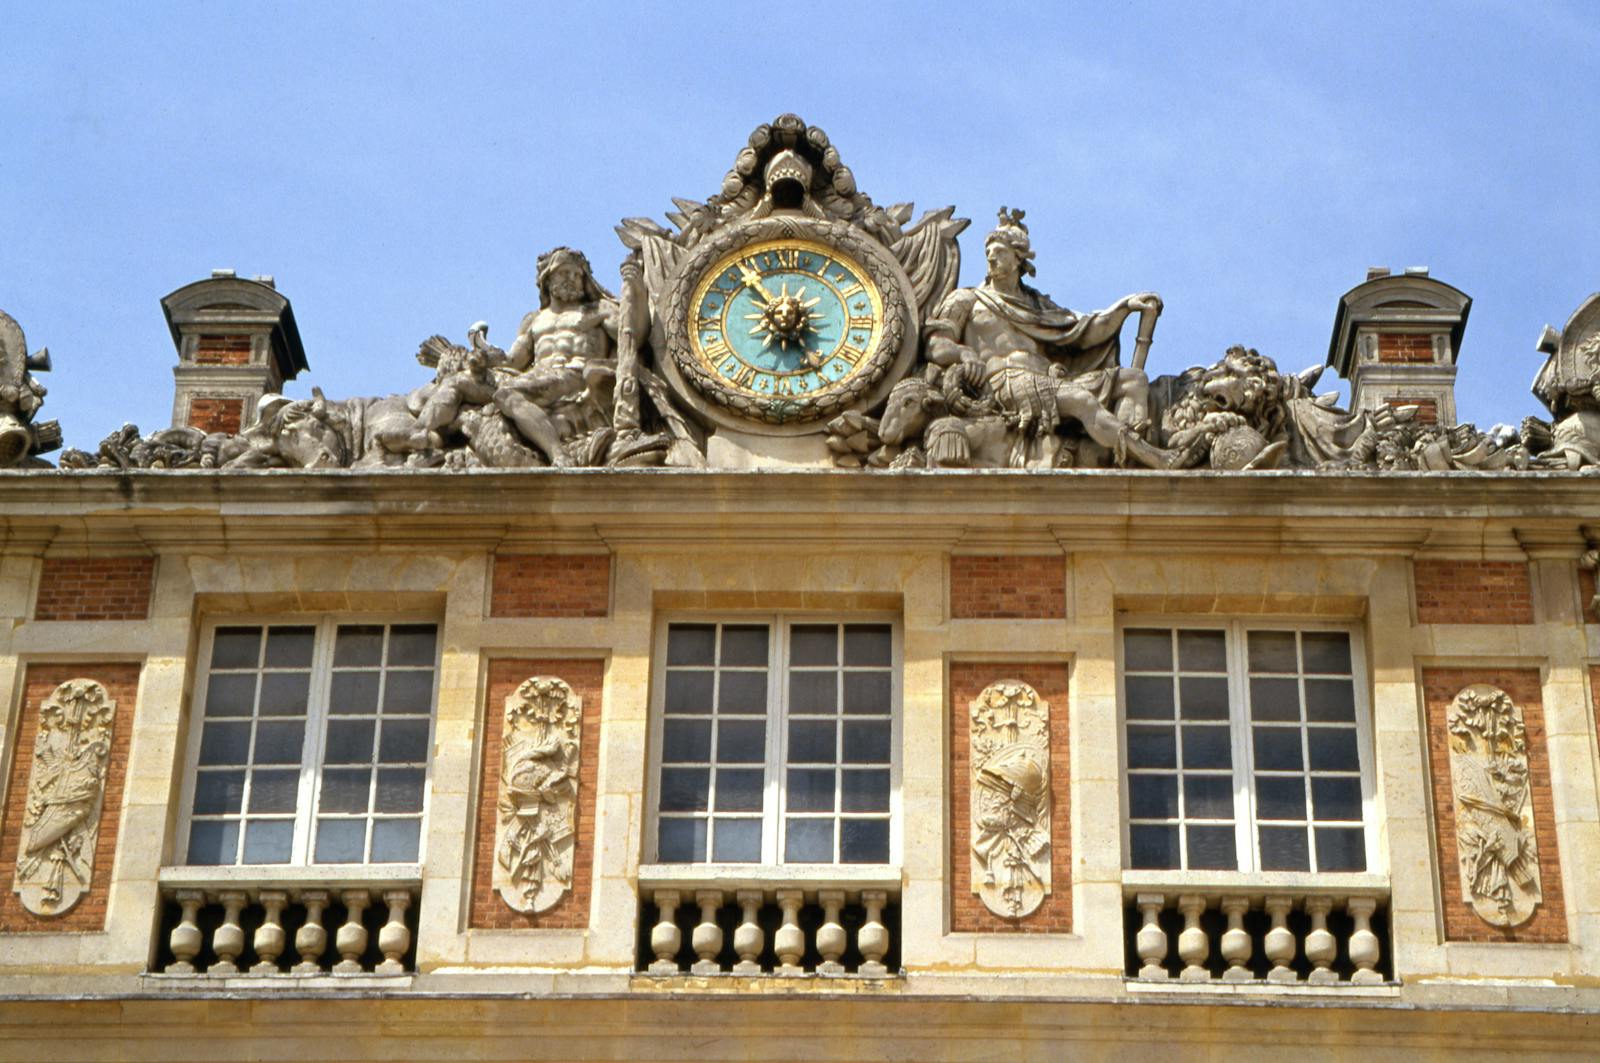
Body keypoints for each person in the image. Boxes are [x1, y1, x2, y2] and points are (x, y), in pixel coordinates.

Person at [924, 208, 1189, 468]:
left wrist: (1125, 307)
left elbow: (1083, 331)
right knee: (1081, 400)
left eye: (999, 252)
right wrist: (963, 353)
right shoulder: (967, 299)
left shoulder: (1038, 305)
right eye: (987, 253)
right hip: (1003, 382)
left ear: (1019, 259)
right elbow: (935, 343)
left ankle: (1127, 460)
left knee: (1133, 380)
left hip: (1047, 380)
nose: (991, 258)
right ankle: (1153, 457)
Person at [492, 247, 619, 466]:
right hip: (541, 379)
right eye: (565, 273)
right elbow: (512, 361)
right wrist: (485, 351)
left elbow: (631, 335)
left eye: (578, 275)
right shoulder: (534, 320)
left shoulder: (599, 310)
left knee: (506, 394)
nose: (572, 279)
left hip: (577, 375)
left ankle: (558, 454)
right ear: (547, 279)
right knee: (494, 396)